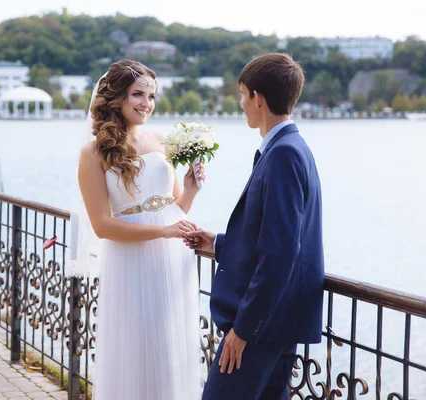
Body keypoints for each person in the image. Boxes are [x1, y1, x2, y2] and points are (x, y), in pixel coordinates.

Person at [185, 53, 324, 399]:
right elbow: (271, 237)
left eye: (243, 94)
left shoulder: (284, 154)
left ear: (258, 98)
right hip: (278, 323)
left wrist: (244, 331)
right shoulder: (292, 147)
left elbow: (280, 253)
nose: (241, 103)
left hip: (262, 329)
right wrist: (217, 243)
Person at [76, 59, 204, 400]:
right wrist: (162, 232)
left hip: (173, 260)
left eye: (151, 96)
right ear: (116, 97)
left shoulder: (162, 140)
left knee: (170, 346)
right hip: (130, 261)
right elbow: (102, 226)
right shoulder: (93, 154)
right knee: (135, 347)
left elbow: (175, 207)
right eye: (137, 94)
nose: (146, 103)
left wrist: (190, 190)